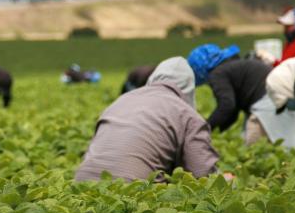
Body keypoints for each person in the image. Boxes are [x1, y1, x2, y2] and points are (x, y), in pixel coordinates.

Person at [75, 57, 219, 182]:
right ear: (189, 89)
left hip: (82, 188)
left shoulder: (121, 101)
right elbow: (203, 176)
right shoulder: (187, 114)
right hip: (131, 194)